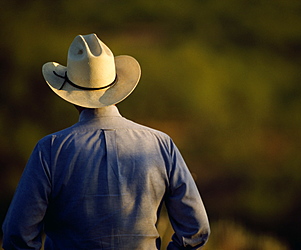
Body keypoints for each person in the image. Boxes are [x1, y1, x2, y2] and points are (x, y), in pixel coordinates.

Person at [2, 33, 210, 249]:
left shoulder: (50, 149)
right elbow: (195, 229)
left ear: (70, 94)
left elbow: (18, 235)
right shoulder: (160, 144)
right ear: (115, 87)